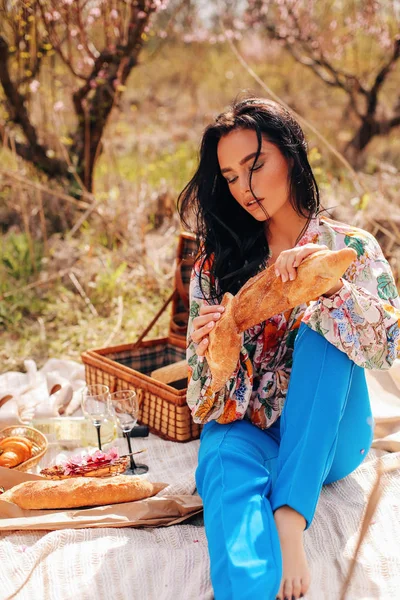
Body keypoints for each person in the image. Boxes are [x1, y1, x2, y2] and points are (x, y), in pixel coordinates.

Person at [177, 96, 400, 600]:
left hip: (332, 438)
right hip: (253, 431)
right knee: (221, 462)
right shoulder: (214, 266)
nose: (245, 188)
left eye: (255, 165)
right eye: (231, 177)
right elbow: (204, 403)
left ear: (292, 154)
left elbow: (386, 348)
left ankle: (290, 515)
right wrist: (217, 354)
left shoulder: (351, 247)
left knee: (325, 332)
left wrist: (329, 289)